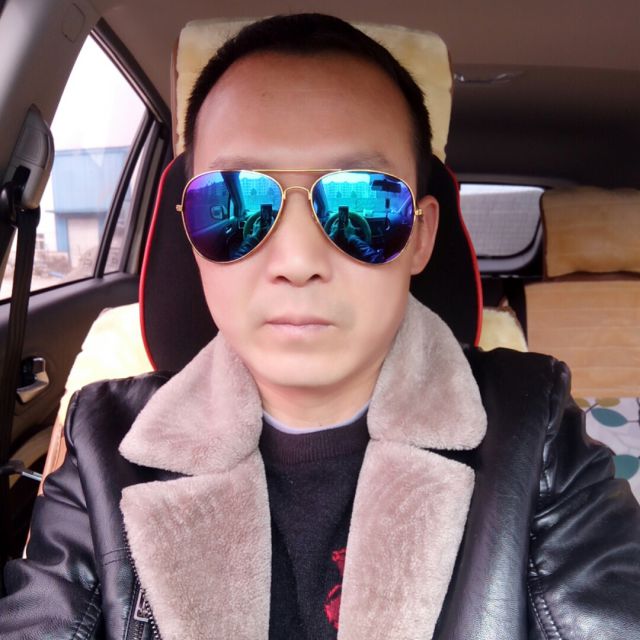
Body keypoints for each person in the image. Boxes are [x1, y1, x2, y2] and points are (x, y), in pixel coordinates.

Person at [1, 13, 639, 640]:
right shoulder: (104, 445)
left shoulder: (535, 430)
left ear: (420, 238)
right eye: (236, 203)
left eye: (363, 203)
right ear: (191, 235)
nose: (298, 261)